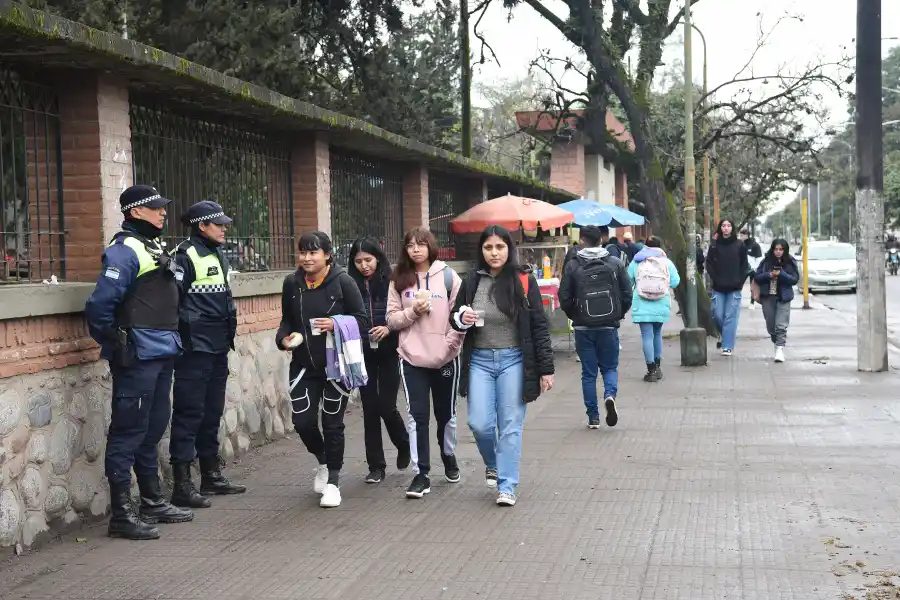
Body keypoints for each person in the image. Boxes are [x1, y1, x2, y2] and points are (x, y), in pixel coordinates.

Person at [84, 185, 192, 541]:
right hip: (139, 355)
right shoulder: (124, 250)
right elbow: (100, 306)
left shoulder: (153, 247)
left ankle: (152, 501)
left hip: (162, 351)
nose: (163, 213)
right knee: (129, 431)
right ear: (135, 212)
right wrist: (116, 342)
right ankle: (122, 515)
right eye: (155, 208)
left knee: (152, 427)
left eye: (163, 207)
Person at [449, 226, 555, 507]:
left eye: (499, 247)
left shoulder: (523, 279)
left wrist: (546, 369)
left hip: (514, 360)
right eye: (488, 248)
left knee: (510, 426)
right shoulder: (471, 280)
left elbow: (539, 326)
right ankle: (493, 463)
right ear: (481, 251)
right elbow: (454, 318)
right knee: (479, 423)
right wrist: (462, 317)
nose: (494, 253)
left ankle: (506, 485)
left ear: (509, 248)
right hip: (480, 361)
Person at [275, 231, 369, 508]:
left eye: (313, 252)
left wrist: (336, 323)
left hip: (335, 365)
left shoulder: (343, 282)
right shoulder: (292, 283)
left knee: (332, 422)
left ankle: (333, 483)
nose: (306, 258)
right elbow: (286, 321)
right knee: (302, 422)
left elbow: (362, 320)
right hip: (304, 364)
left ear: (327, 255)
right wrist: (283, 339)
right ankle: (324, 461)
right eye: (303, 252)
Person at [168, 201, 245, 510]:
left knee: (211, 412)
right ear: (202, 225)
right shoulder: (185, 256)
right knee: (189, 414)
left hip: (216, 347)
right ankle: (182, 485)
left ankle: (211, 475)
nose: (225, 228)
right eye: (219, 224)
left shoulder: (217, 254)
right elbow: (174, 303)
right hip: (194, 349)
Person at [386, 227, 465, 499]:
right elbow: (391, 319)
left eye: (421, 244)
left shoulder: (448, 277)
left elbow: (459, 318)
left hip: (444, 358)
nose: (415, 249)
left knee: (446, 416)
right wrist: (412, 313)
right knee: (417, 416)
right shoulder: (399, 279)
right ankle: (421, 474)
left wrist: (450, 346)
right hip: (411, 358)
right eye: (410, 245)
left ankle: (448, 455)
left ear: (431, 247)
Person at [347, 237, 410, 484]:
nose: (364, 266)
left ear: (378, 258)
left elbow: (402, 314)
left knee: (386, 406)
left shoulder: (393, 281)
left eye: (368, 260)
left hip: (390, 351)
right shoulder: (349, 284)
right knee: (370, 409)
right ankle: (376, 467)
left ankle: (403, 443)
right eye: (358, 261)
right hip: (362, 352)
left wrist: (388, 328)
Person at [559, 224, 633, 429]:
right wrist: (618, 314)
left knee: (588, 373)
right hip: (609, 326)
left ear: (582, 240)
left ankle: (593, 416)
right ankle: (610, 395)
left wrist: (575, 315)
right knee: (609, 367)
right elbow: (627, 294)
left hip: (583, 327)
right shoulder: (614, 263)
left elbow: (564, 297)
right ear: (601, 239)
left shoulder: (573, 265)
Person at [626, 237, 680, 382]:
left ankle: (651, 370)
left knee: (646, 336)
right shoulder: (666, 262)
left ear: (645, 247)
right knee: (657, 333)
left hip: (642, 303)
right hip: (661, 302)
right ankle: (658, 367)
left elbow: (627, 281)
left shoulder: (636, 262)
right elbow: (675, 282)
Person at [705, 219, 748, 356]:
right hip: (718, 287)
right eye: (723, 226)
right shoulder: (714, 245)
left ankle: (727, 346)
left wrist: (740, 282)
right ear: (720, 228)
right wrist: (715, 278)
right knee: (717, 314)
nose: (726, 228)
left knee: (730, 316)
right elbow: (709, 264)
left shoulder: (739, 245)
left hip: (734, 287)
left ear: (732, 228)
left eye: (729, 225)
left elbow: (744, 266)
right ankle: (723, 335)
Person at [754, 238, 799, 363]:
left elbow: (795, 279)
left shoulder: (790, 262)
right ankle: (776, 342)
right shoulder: (766, 262)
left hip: (783, 297)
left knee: (781, 325)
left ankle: (780, 349)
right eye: (776, 249)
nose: (778, 252)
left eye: (781, 249)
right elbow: (757, 277)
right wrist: (769, 275)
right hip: (768, 297)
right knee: (771, 326)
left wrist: (782, 274)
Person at [741, 229, 763, 310]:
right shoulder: (741, 244)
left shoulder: (754, 245)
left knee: (753, 286)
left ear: (746, 235)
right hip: (743, 269)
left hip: (753, 269)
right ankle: (736, 300)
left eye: (741, 235)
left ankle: (752, 302)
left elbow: (759, 258)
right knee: (739, 284)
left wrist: (756, 268)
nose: (740, 237)